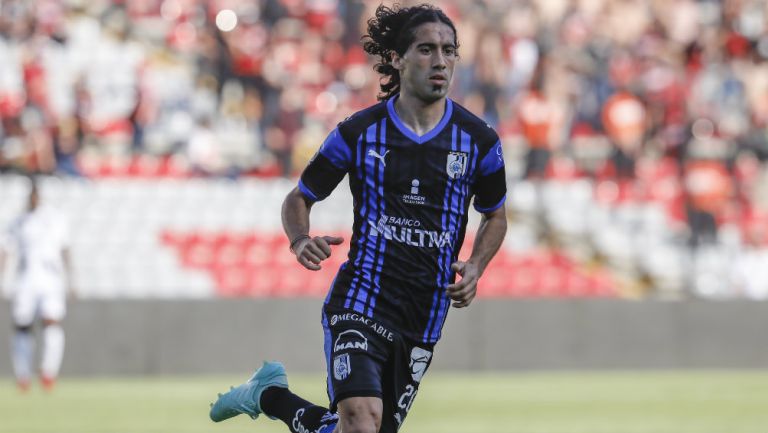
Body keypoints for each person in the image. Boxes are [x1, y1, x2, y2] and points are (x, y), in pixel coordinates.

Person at [209, 4, 508, 433]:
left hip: (424, 311)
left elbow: (494, 215)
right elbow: (299, 197)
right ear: (398, 59)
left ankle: (268, 394)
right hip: (362, 297)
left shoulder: (479, 141)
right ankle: (271, 393)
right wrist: (299, 239)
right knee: (361, 420)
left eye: (448, 50)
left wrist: (477, 264)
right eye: (426, 49)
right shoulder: (358, 132)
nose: (440, 61)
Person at [0, 178, 74, 392]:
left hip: (51, 277)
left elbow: (65, 249)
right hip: (25, 278)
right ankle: (23, 376)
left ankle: (48, 373)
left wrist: (71, 279)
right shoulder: (18, 222)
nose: (33, 197)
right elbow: (6, 250)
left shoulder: (56, 219)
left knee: (52, 322)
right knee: (22, 326)